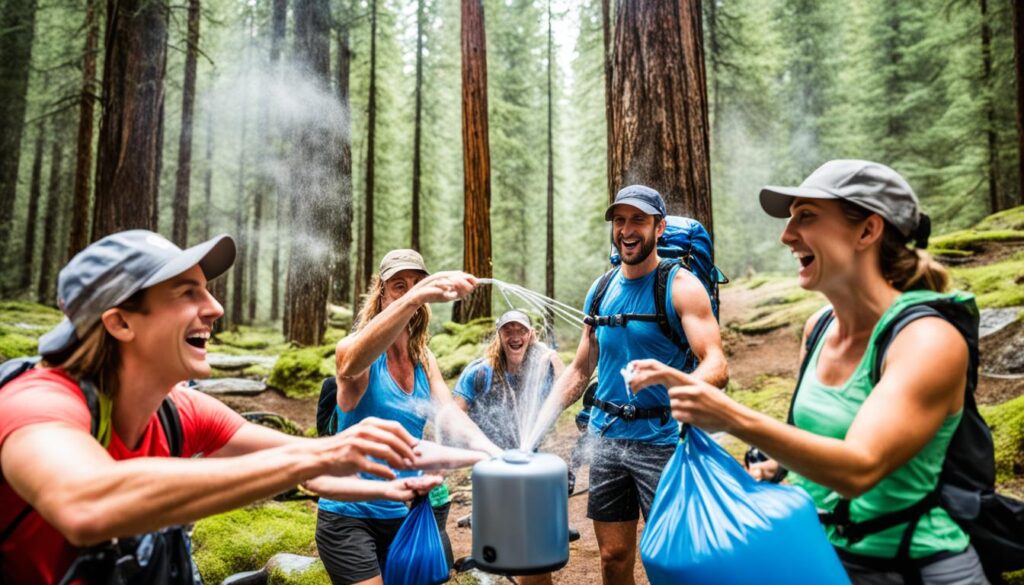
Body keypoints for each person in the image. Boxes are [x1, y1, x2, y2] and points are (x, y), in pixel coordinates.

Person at [0, 231, 458, 585]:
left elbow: (306, 471)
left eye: (207, 290)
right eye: (187, 293)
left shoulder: (181, 411)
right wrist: (323, 452)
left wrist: (395, 488)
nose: (216, 307)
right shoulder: (36, 405)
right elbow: (87, 504)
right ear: (120, 321)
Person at [657, 160, 989, 584]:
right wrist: (774, 466)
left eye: (806, 217)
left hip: (917, 567)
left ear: (867, 231)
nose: (786, 235)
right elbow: (817, 438)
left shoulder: (928, 340)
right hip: (821, 556)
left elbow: (858, 469)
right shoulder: (819, 328)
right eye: (790, 217)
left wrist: (728, 415)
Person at [534, 185, 729, 585]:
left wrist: (683, 396)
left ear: (659, 228)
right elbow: (580, 367)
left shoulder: (681, 287)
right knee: (613, 554)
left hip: (660, 443)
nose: (626, 229)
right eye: (620, 221)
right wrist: (539, 420)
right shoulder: (601, 289)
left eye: (638, 220)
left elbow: (716, 363)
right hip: (605, 441)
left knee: (671, 556)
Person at [319, 249, 502, 585]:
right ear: (381, 292)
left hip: (405, 512)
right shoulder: (353, 348)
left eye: (416, 284)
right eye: (398, 286)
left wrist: (494, 452)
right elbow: (350, 365)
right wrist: (416, 296)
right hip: (349, 516)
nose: (409, 292)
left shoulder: (422, 357)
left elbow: (448, 414)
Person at [453, 309, 564, 451]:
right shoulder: (479, 373)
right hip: (488, 461)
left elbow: (563, 395)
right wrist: (478, 444)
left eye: (521, 331)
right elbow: (454, 416)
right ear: (498, 335)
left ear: (530, 334)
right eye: (508, 331)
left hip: (529, 461)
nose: (515, 337)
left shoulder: (541, 373)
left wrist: (549, 354)